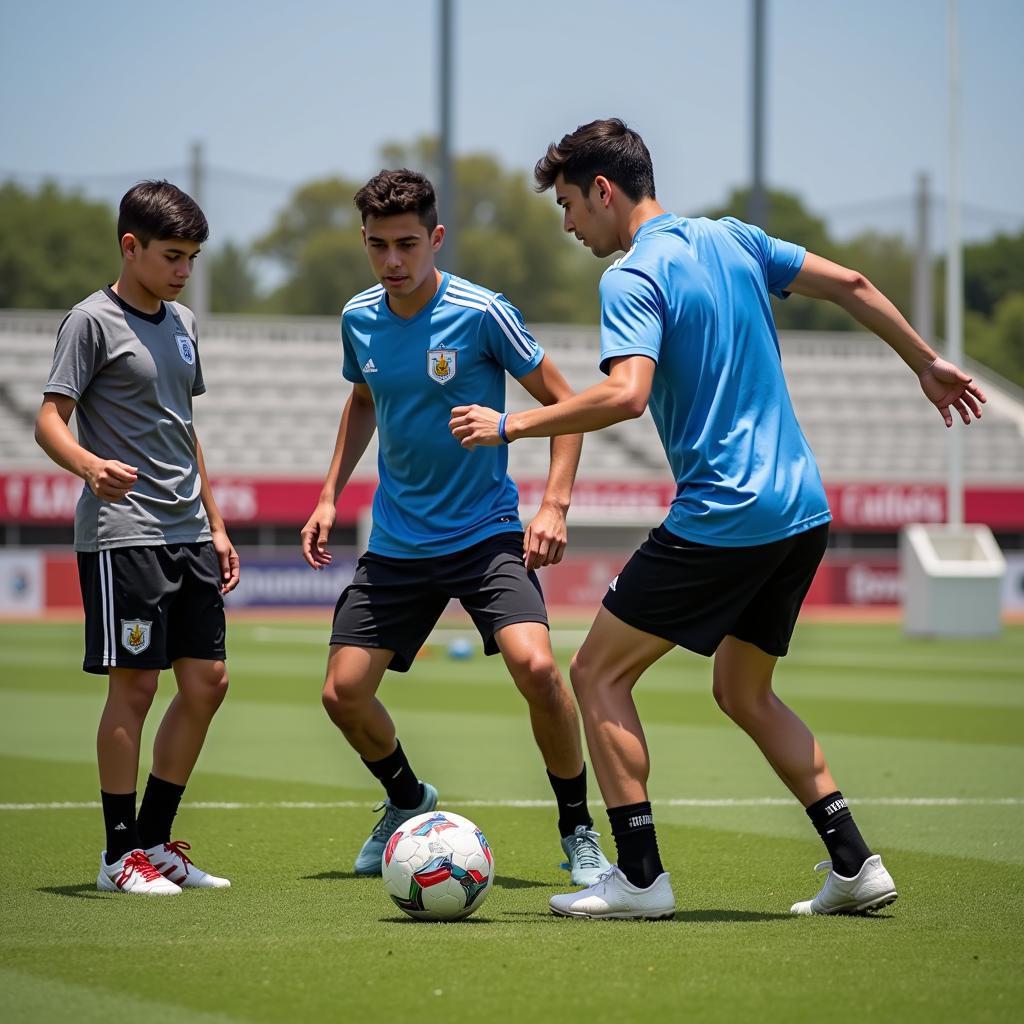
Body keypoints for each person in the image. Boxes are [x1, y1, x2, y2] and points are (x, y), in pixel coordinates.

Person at [449, 118, 986, 920]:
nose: (566, 225)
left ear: (603, 191)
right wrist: (925, 362)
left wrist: (511, 425)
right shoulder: (733, 238)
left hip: (726, 512)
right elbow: (854, 285)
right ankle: (854, 862)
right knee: (743, 689)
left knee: (598, 672)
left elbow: (627, 394)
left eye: (567, 206)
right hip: (803, 508)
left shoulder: (631, 276)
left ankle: (638, 878)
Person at [300, 168, 610, 884]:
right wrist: (327, 496)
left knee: (537, 666)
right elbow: (364, 400)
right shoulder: (359, 317)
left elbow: (568, 406)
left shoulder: (482, 312)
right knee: (341, 693)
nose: (393, 262)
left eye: (408, 244)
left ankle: (578, 829)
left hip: (485, 533)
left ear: (436, 238)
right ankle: (407, 800)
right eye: (378, 246)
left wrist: (554, 504)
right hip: (400, 539)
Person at [35, 181, 239, 895]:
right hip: (125, 535)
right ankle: (119, 854)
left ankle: (156, 842)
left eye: (192, 257)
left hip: (188, 532)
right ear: (131, 247)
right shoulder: (89, 322)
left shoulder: (182, 321)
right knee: (137, 685)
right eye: (172, 255)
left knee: (208, 683)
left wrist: (215, 524)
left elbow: (185, 429)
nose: (184, 270)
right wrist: (90, 466)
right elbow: (49, 419)